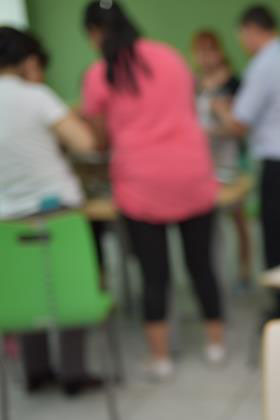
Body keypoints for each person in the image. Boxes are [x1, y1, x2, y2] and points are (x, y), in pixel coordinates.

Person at [80, 0, 224, 379]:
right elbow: (187, 110)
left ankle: (160, 358)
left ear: (95, 32)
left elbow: (97, 137)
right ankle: (215, 344)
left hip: (141, 183)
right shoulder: (170, 56)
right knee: (201, 265)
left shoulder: (100, 73)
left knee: (153, 273)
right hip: (192, 172)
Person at [0, 27, 102, 395]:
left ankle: (35, 371)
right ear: (28, 61)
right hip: (57, 212)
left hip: (7, 220)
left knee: (25, 291)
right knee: (70, 288)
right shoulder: (36, 96)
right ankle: (74, 374)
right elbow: (86, 143)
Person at [213, 4, 280, 319]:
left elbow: (238, 123)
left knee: (278, 243)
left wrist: (220, 107)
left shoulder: (264, 66)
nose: (243, 44)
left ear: (252, 30)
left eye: (243, 36)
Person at [191, 29, 252, 287]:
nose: (205, 57)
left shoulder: (234, 83)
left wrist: (215, 123)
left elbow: (239, 126)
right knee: (207, 219)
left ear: (219, 51)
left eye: (209, 50)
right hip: (202, 160)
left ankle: (244, 269)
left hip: (230, 157)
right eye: (199, 51)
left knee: (237, 216)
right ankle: (211, 273)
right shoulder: (195, 84)